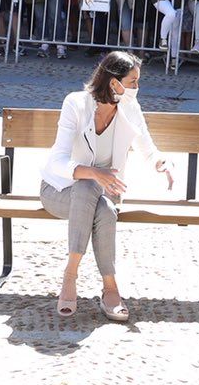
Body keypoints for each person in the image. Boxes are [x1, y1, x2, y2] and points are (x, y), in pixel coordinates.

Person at [40, 51, 174, 322]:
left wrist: (162, 164)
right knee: (89, 186)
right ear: (114, 83)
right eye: (133, 82)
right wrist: (93, 172)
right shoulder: (76, 104)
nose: (137, 88)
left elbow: (148, 149)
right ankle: (106, 288)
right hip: (59, 191)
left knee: (103, 206)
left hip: (102, 196)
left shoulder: (130, 109)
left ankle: (77, 277)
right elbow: (57, 161)